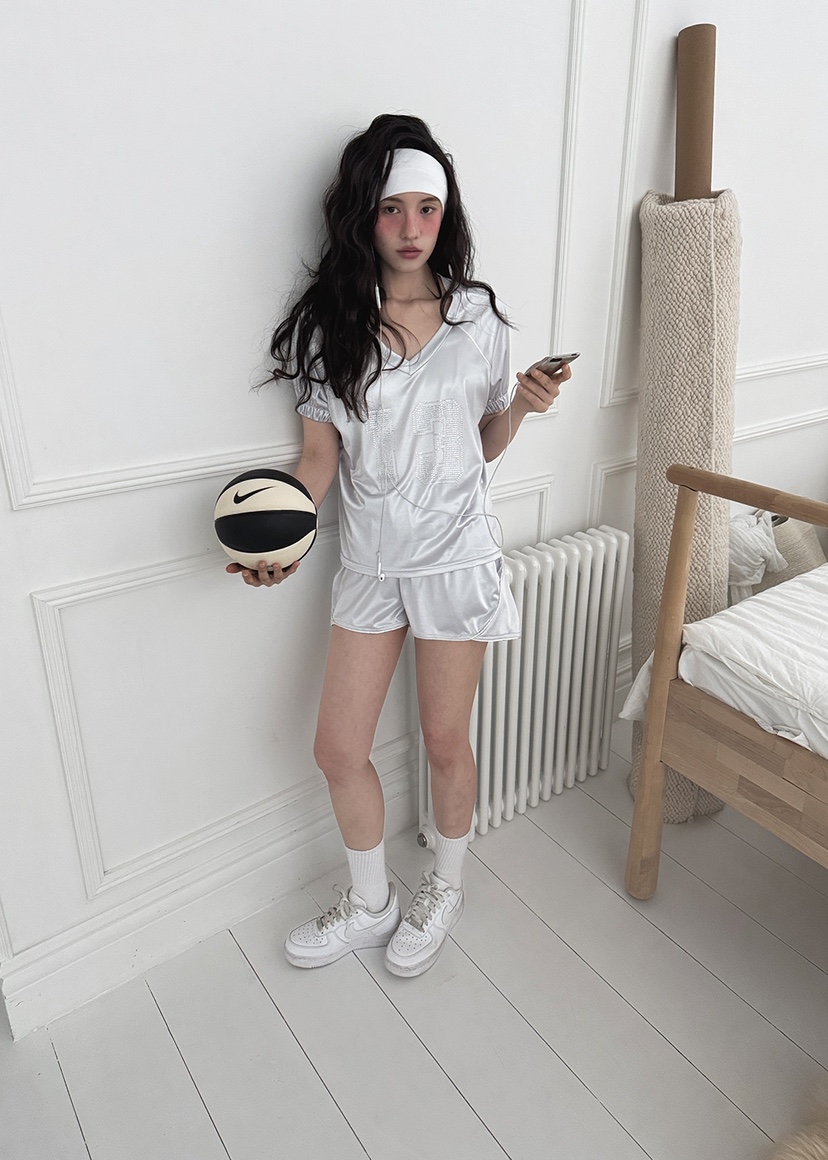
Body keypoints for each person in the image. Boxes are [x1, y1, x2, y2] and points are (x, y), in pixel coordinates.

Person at [227, 113, 571, 977]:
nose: (412, 228)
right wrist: (282, 543)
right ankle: (371, 901)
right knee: (338, 749)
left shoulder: (478, 318)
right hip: (372, 564)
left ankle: (445, 888)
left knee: (446, 742)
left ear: (444, 215)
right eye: (392, 209)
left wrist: (524, 407)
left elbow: (482, 445)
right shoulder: (330, 329)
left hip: (455, 557)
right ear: (364, 216)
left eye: (427, 208)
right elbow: (317, 462)